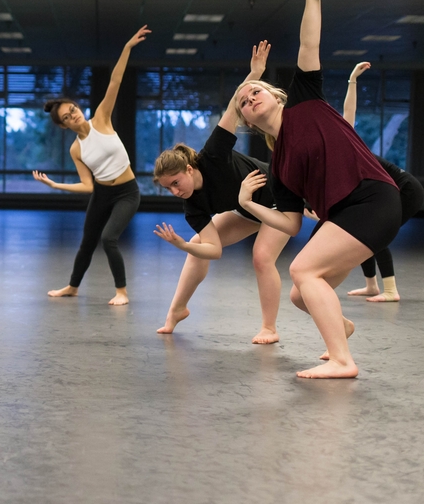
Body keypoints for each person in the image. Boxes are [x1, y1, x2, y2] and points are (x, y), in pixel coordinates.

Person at [232, 0, 400, 379]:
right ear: (247, 123)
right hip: (345, 216)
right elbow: (289, 224)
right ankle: (340, 327)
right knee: (301, 294)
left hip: (373, 197)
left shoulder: (304, 100)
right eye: (242, 101)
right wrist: (247, 203)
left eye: (255, 90)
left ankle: (343, 360)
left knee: (303, 270)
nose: (249, 96)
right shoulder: (281, 166)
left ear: (274, 95)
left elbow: (310, 41)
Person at [151, 41, 289, 344]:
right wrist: (182, 245)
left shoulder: (212, 154)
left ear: (188, 168)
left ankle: (269, 327)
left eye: (175, 183)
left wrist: (253, 76)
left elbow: (232, 110)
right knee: (198, 240)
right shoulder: (192, 206)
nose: (175, 192)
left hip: (280, 200)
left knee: (262, 257)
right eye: (168, 189)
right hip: (247, 208)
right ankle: (177, 309)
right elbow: (213, 250)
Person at [33, 26, 147, 305]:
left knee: (109, 239)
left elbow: (115, 81)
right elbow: (87, 185)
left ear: (76, 107)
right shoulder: (77, 149)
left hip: (127, 193)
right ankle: (72, 287)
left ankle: (121, 292)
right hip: (102, 195)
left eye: (72, 109)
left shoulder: (101, 118)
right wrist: (54, 184)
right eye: (67, 117)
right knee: (87, 242)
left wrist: (127, 48)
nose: (73, 115)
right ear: (63, 126)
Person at [334, 61, 424, 302]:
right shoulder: (334, 159)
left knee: (375, 233)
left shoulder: (345, 143)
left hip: (407, 189)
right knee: (363, 231)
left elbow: (348, 112)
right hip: (396, 188)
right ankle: (372, 286)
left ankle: (391, 291)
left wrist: (352, 79)